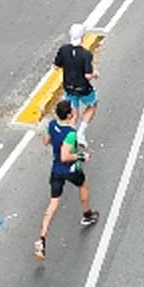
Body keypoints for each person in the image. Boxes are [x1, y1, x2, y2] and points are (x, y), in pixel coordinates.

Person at [35, 100, 98, 260]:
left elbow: (46, 141)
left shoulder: (52, 125)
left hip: (56, 170)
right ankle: (87, 214)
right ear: (69, 114)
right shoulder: (70, 133)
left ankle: (41, 239)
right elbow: (65, 156)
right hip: (70, 169)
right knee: (83, 185)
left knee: (53, 203)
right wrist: (82, 156)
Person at [54, 23, 99, 133]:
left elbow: (55, 66)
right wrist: (95, 74)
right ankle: (81, 133)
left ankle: (72, 141)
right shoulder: (86, 54)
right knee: (93, 104)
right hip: (83, 89)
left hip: (69, 87)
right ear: (82, 36)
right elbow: (88, 75)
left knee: (73, 115)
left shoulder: (63, 50)